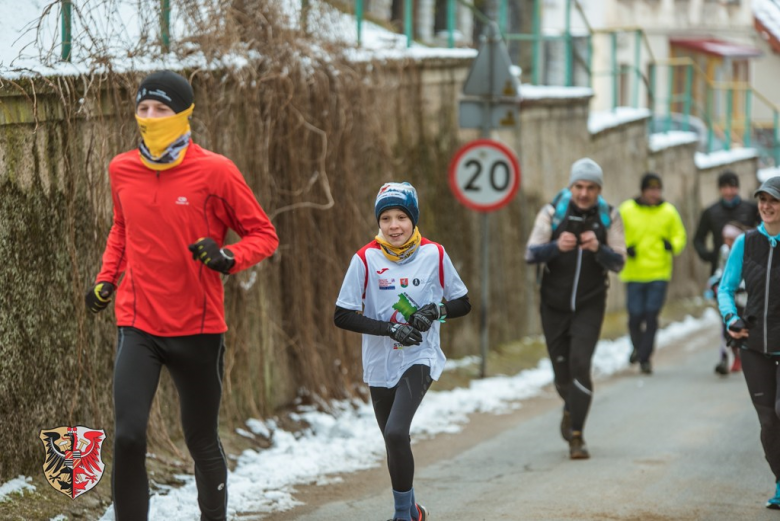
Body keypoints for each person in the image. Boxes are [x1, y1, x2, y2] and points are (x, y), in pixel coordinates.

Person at [85, 70, 279, 521]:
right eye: (143, 109)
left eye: (162, 109)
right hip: (138, 323)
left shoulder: (215, 171)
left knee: (201, 439)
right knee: (130, 436)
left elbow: (263, 234)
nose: (150, 118)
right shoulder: (121, 169)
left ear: (184, 114)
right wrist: (107, 278)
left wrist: (227, 256)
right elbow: (122, 228)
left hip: (197, 326)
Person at [334, 182, 470, 521]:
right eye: (386, 218)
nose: (394, 226)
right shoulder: (365, 258)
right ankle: (414, 511)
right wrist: (390, 328)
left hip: (419, 357)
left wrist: (435, 311)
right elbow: (342, 315)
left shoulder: (434, 254)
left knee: (396, 431)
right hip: (380, 361)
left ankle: (401, 517)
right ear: (378, 223)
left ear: (414, 219)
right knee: (393, 440)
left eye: (401, 217)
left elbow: (462, 302)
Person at [525, 158, 626, 460]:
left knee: (580, 364)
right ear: (571, 187)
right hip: (553, 305)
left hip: (590, 304)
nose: (584, 193)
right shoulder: (553, 212)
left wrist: (599, 248)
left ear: (599, 189)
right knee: (561, 375)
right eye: (579, 186)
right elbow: (531, 254)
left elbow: (619, 261)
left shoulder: (609, 216)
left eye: (591, 188)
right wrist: (557, 246)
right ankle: (571, 407)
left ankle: (577, 437)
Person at [718, 176, 780, 510]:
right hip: (754, 344)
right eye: (762, 200)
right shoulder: (747, 243)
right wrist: (731, 318)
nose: (767, 206)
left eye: (774, 200)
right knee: (769, 421)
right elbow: (726, 288)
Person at [618, 173, 687, 375]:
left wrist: (672, 245)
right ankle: (639, 348)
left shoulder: (668, 211)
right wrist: (624, 248)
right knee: (634, 316)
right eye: (650, 189)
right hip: (633, 273)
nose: (654, 193)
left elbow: (679, 235)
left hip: (659, 272)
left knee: (651, 314)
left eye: (657, 189)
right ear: (642, 191)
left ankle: (644, 358)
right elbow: (614, 233)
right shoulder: (626, 210)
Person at [694, 170, 760, 275]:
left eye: (732, 187)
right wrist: (710, 256)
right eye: (725, 187)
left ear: (737, 187)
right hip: (722, 267)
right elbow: (698, 239)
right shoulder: (710, 212)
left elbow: (765, 230)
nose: (729, 191)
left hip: (748, 265)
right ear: (720, 189)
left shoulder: (751, 208)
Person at [708, 222, 750, 376]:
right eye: (725, 238)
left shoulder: (746, 249)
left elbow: (750, 272)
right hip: (728, 296)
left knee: (744, 328)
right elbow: (720, 269)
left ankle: (744, 356)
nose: (727, 242)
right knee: (728, 327)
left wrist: (742, 285)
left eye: (731, 238)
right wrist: (715, 282)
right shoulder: (724, 250)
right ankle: (726, 358)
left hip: (744, 296)